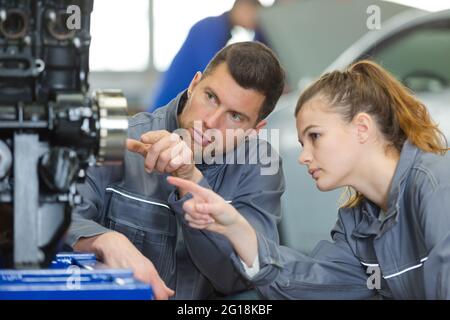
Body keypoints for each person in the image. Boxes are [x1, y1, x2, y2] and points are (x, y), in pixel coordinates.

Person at [167, 60, 450, 299]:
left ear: (362, 128)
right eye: (303, 142)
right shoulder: (357, 226)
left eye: (315, 136)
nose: (303, 157)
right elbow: (313, 282)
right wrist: (238, 229)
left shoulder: (437, 186)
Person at [67, 41, 286, 300]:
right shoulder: (123, 139)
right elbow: (56, 220)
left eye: (235, 116)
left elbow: (241, 277)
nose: (211, 122)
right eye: (211, 97)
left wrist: (190, 180)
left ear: (255, 130)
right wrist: (105, 240)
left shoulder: (259, 166)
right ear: (194, 84)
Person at [149, 0, 266, 112]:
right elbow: (213, 72)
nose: (256, 21)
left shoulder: (219, 29)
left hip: (179, 105)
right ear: (243, 8)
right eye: (255, 15)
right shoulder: (210, 28)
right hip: (170, 106)